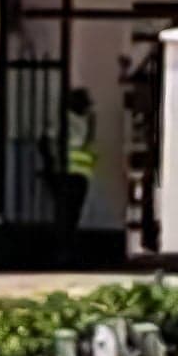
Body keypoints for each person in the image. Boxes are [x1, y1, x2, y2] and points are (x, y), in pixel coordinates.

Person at [50, 87, 99, 250]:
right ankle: (64, 249)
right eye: (84, 105)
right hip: (69, 175)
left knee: (71, 215)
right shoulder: (68, 120)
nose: (87, 108)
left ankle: (66, 248)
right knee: (68, 215)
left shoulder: (80, 120)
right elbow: (80, 142)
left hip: (78, 175)